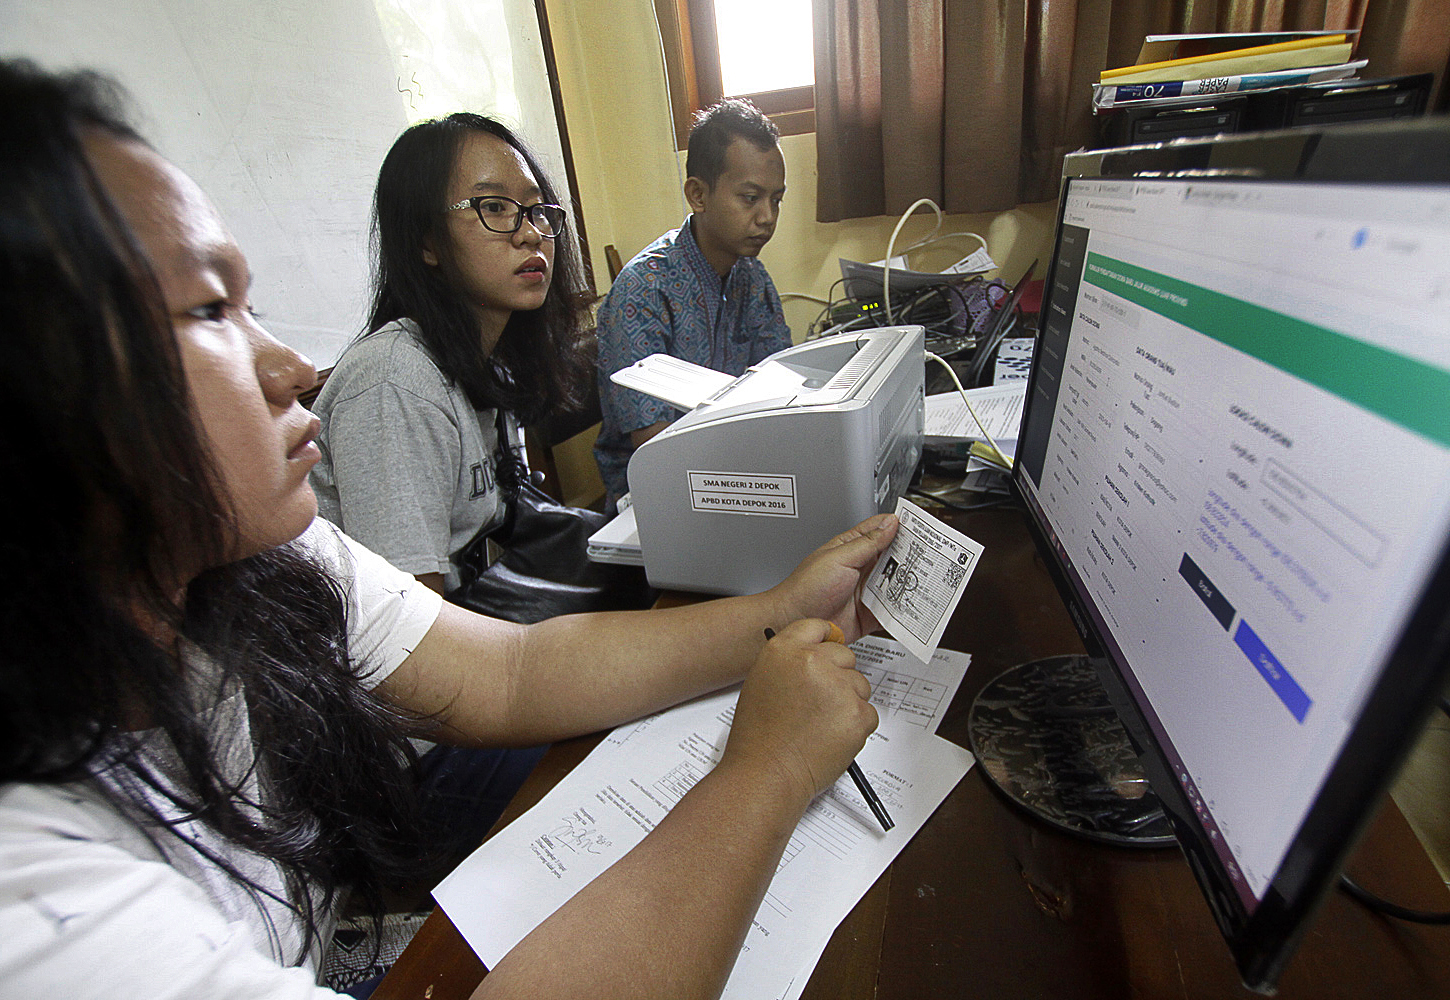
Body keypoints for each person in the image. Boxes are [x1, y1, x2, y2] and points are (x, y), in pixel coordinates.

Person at [0, 61, 898, 999]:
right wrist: (767, 773)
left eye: (537, 209)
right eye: (206, 309)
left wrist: (783, 606)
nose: (292, 363)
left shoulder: (262, 554)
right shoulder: (37, 910)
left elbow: (506, 673)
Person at [310, 113, 589, 596]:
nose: (530, 234)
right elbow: (409, 630)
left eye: (537, 209)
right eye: (495, 207)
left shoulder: (492, 359)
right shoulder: (395, 382)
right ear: (427, 243)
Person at [593, 99, 793, 506]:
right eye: (750, 197)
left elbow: (782, 389)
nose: (767, 217)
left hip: (741, 470)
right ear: (698, 195)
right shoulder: (643, 289)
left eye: (776, 200)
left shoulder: (752, 276)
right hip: (658, 490)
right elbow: (654, 443)